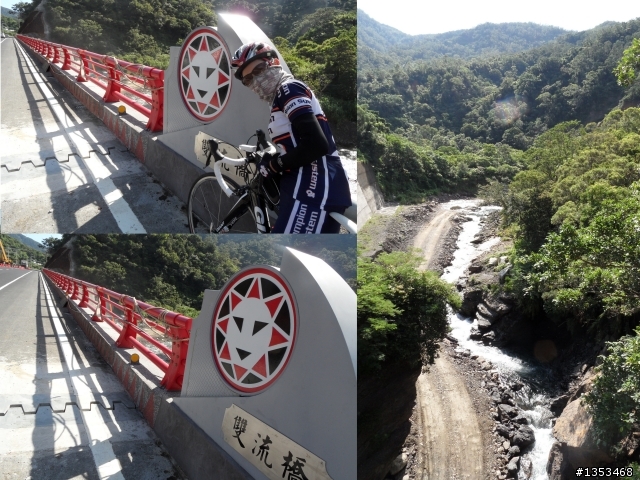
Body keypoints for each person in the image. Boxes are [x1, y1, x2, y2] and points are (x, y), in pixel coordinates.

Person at [231, 42, 351, 234]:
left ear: (274, 62)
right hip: (302, 182)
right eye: (248, 79)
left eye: (260, 69)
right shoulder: (279, 97)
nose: (257, 80)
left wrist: (274, 165)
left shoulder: (289, 89)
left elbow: (317, 144)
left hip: (316, 184)